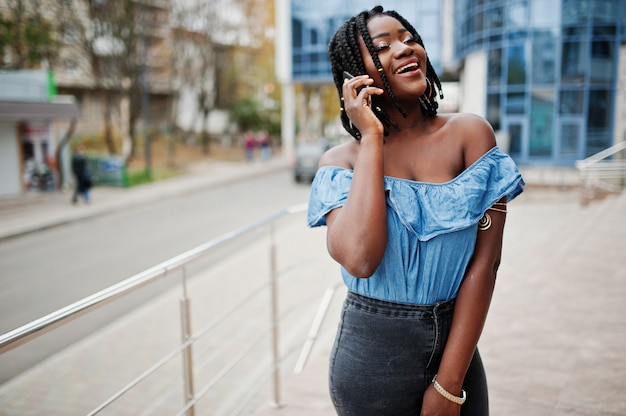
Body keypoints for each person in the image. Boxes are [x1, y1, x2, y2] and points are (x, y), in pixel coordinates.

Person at [307, 6, 525, 416]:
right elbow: (361, 258)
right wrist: (371, 137)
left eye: (409, 38)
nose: (405, 49)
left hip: (456, 350)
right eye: (383, 46)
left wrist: (449, 385)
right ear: (355, 77)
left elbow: (486, 262)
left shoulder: (470, 135)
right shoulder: (340, 163)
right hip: (372, 359)